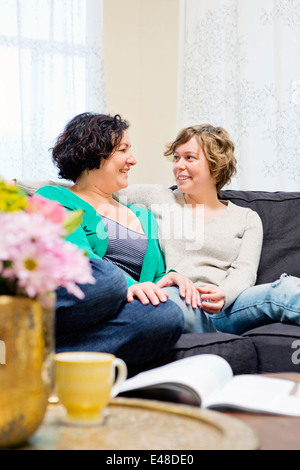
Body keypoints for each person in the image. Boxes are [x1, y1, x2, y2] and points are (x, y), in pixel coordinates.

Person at [34, 113, 216, 367]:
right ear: (93, 152)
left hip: (118, 311)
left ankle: (55, 361)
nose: (132, 160)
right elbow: (76, 259)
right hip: (83, 295)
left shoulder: (143, 216)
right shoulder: (54, 197)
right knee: (106, 280)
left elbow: (153, 284)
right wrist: (126, 284)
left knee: (165, 316)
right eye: (123, 150)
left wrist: (170, 278)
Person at [117, 124, 300, 334]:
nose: (179, 166)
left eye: (189, 157)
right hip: (182, 299)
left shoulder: (246, 218)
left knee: (285, 290)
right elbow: (97, 190)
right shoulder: (160, 198)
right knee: (165, 305)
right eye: (177, 158)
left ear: (215, 164)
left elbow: (245, 272)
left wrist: (223, 294)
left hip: (230, 307)